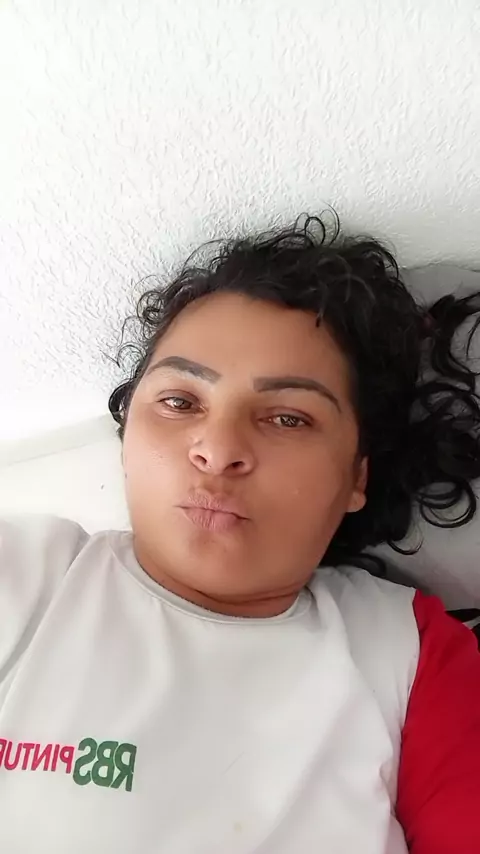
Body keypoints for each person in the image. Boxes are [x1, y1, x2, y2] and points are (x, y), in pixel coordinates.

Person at [1, 214, 480, 854]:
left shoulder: (410, 652)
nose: (218, 448)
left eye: (287, 417)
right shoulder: (26, 577)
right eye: (180, 402)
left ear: (357, 475)